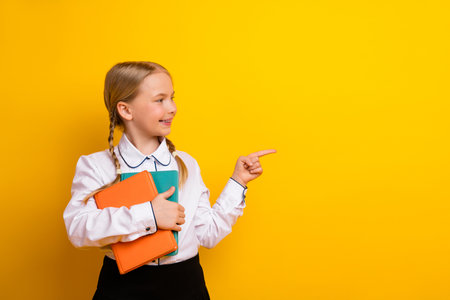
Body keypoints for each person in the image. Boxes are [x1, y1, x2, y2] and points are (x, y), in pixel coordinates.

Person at [63, 61, 276, 300]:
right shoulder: (96, 165)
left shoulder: (186, 164)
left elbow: (208, 234)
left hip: (186, 285)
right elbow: (78, 229)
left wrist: (238, 182)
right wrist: (149, 215)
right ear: (126, 110)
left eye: (172, 98)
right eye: (159, 100)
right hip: (123, 286)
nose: (172, 108)